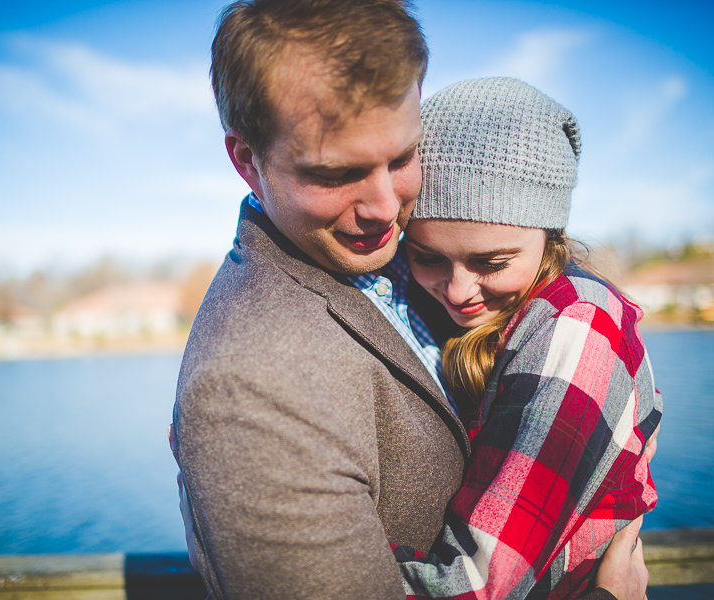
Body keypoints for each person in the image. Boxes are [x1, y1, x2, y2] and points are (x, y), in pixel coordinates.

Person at [171, 1, 651, 598]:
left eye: (402, 158)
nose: (385, 208)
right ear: (247, 159)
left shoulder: (395, 259)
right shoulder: (248, 384)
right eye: (336, 172)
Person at [391, 77, 663, 599]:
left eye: (491, 262)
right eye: (427, 257)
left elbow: (472, 588)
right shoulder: (494, 315)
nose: (457, 290)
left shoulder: (575, 329)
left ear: (550, 235)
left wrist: (284, 568)